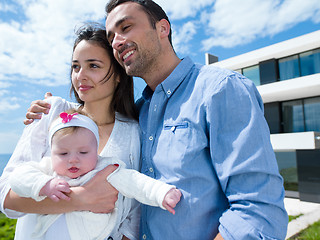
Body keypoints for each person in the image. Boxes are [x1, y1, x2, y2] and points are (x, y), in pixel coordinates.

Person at [23, 0, 289, 239]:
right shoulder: (140, 113)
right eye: (111, 36)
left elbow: (257, 212)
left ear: (163, 28)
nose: (116, 41)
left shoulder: (220, 90)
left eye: (125, 27)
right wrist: (58, 109)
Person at [0, 24, 144, 240]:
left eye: (93, 66)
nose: (81, 76)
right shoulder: (52, 111)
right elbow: (6, 198)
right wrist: (80, 198)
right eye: (75, 67)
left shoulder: (133, 131)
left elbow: (133, 215)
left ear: (118, 75)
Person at [9, 109, 181, 240]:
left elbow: (135, 182)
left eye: (83, 152)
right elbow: (18, 177)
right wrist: (43, 185)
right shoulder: (47, 169)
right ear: (51, 153)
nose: (73, 160)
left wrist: (161, 193)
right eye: (63, 154)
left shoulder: (105, 169)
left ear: (96, 150)